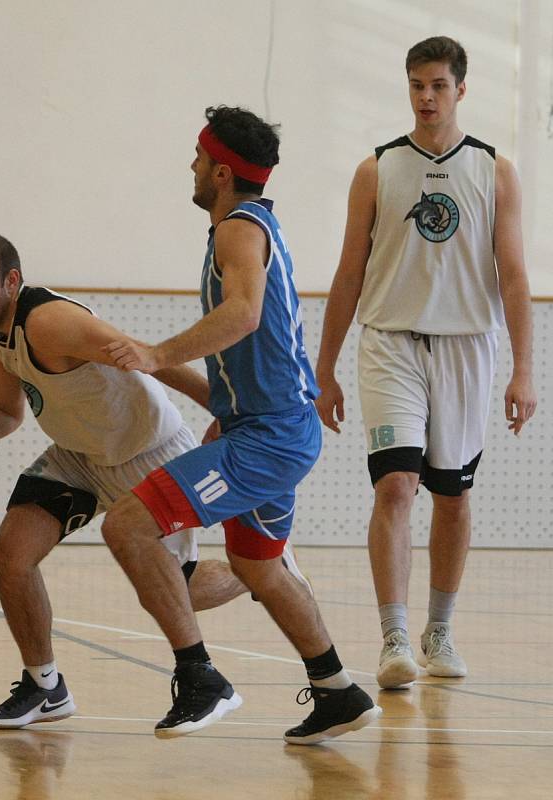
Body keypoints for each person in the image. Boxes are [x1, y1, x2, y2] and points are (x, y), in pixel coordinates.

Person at [0, 229, 302, 729]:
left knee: (178, 590)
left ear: (11, 280)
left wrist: (231, 411)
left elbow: (145, 357)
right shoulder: (1, 334)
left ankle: (260, 569)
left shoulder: (51, 322)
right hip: (78, 457)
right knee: (11, 556)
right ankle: (45, 687)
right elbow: (5, 412)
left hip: (145, 450)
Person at [101, 105, 380, 744]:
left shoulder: (237, 231)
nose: (192, 168)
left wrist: (159, 354)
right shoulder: (251, 227)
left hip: (271, 437)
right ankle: (337, 690)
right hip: (264, 429)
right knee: (258, 568)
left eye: (199, 158)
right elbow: (246, 361)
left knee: (129, 526)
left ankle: (202, 680)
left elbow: (246, 314)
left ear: (222, 171)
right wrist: (155, 368)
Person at [314, 36, 536, 688]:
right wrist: (322, 369)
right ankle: (392, 641)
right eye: (416, 85)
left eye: (437, 85)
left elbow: (515, 275)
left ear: (460, 89)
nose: (425, 97)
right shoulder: (375, 170)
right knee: (394, 485)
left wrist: (524, 368)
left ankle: (438, 631)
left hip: (467, 345)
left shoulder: (493, 170)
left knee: (452, 495)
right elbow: (348, 272)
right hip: (390, 342)